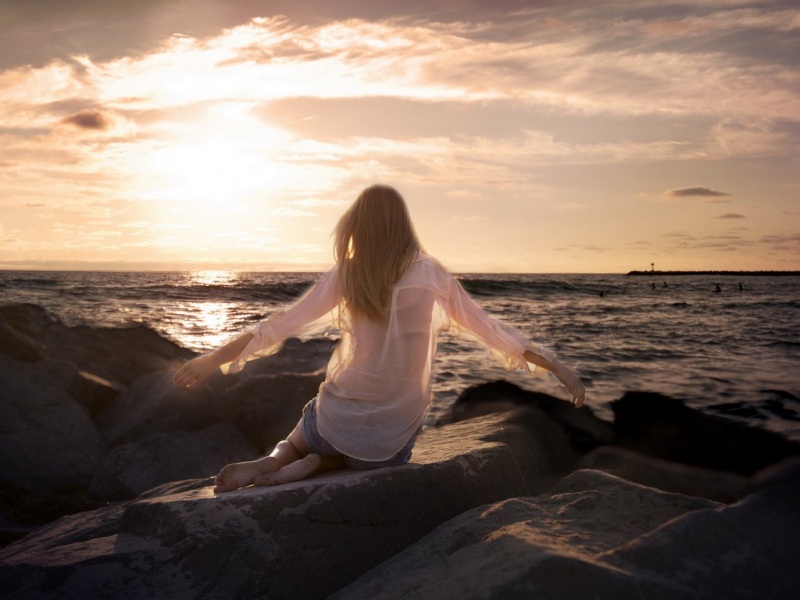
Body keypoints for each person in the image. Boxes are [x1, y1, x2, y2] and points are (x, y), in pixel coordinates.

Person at [173, 184, 586, 493]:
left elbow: (279, 326)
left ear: (357, 225)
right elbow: (493, 331)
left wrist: (212, 359)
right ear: (402, 225)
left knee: (299, 434)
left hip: (334, 418)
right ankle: (319, 466)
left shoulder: (348, 274)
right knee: (366, 449)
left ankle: (283, 460)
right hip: (389, 439)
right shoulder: (431, 274)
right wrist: (558, 367)